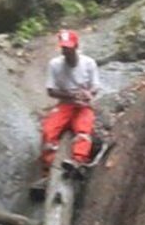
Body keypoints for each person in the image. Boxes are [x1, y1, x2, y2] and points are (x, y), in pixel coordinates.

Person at [41, 28, 100, 174]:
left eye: (69, 48)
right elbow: (50, 90)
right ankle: (51, 166)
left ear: (76, 47)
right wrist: (71, 96)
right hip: (65, 104)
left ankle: (79, 162)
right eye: (64, 48)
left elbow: (96, 86)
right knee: (49, 130)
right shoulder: (54, 64)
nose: (66, 51)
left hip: (83, 106)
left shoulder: (89, 63)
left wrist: (87, 94)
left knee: (83, 130)